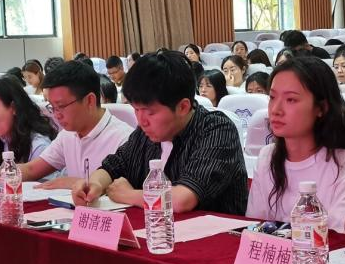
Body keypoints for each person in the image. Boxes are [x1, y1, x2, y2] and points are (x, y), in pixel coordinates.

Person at [72, 50, 248, 215]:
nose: (141, 120)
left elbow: (183, 199)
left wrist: (128, 194)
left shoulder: (217, 129)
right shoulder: (146, 133)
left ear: (183, 107)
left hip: (216, 234)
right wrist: (94, 184)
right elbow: (114, 165)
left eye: (150, 112)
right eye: (136, 109)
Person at [0, 61, 133, 190]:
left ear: (90, 101)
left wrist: (76, 183)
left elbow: (127, 191)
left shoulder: (124, 138)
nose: (56, 114)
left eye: (61, 106)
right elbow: (31, 169)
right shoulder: (68, 134)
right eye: (52, 107)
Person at [247, 57, 345, 227]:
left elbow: (339, 238)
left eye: (291, 100)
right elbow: (255, 226)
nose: (275, 110)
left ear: (321, 108)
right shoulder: (267, 156)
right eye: (272, 97)